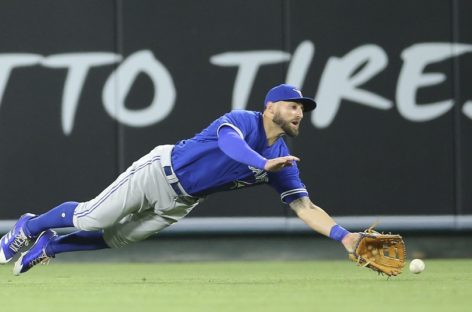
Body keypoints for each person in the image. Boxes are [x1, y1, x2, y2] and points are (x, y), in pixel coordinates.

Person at [0, 84, 359, 275]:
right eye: (293, 105)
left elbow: (305, 207)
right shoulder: (244, 120)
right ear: (270, 108)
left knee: (117, 238)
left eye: (303, 109)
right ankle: (30, 226)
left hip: (182, 201)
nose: (300, 113)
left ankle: (51, 246)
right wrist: (263, 164)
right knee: (91, 217)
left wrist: (345, 237)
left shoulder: (283, 162)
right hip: (159, 171)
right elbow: (229, 144)